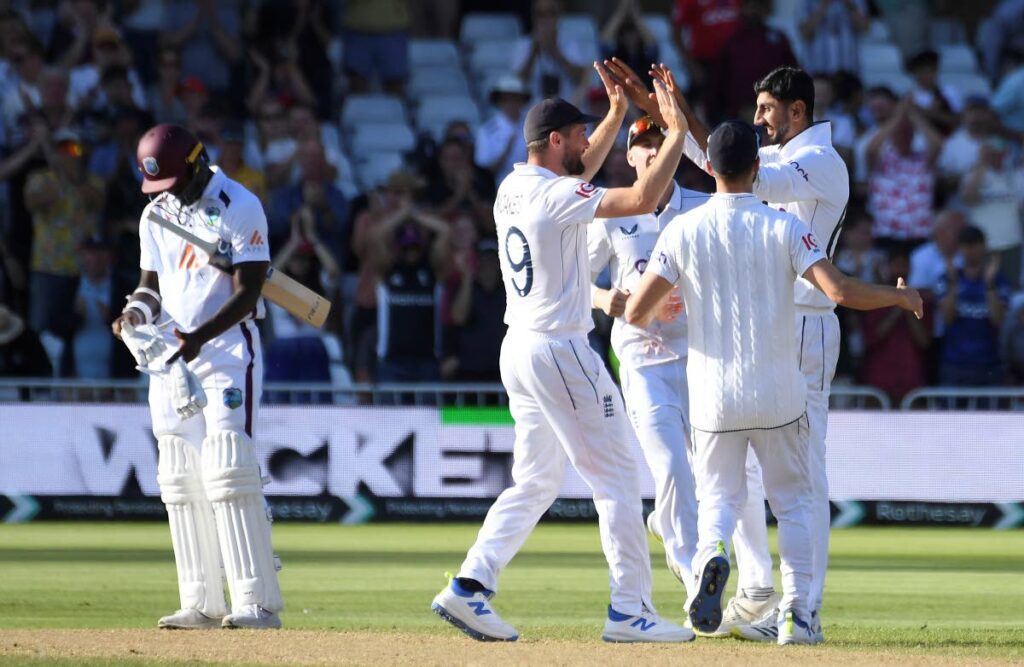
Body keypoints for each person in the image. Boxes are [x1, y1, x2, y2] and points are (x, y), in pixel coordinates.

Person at [624, 120, 922, 645]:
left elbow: (637, 313)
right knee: (794, 503)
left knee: (718, 498)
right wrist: (899, 297)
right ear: (758, 169)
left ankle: (712, 556)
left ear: (710, 167)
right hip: (779, 391)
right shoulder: (785, 227)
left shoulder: (681, 230)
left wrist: (667, 301)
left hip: (713, 396)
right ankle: (796, 615)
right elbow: (841, 291)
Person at [431, 67, 695, 643]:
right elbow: (644, 196)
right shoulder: (555, 194)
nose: (585, 145)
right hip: (561, 349)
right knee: (620, 474)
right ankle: (631, 609)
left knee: (535, 480)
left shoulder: (513, 186)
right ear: (555, 141)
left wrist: (616, 116)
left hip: (518, 348)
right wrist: (674, 131)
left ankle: (470, 585)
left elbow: (585, 169)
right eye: (576, 136)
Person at [605, 62, 848, 642]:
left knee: (802, 479)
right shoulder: (782, 162)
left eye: (768, 109)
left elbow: (735, 170)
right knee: (756, 475)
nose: (760, 119)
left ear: (798, 111)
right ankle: (769, 595)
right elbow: (728, 163)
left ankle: (801, 608)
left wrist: (679, 117)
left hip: (807, 324)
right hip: (778, 325)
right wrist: (674, 118)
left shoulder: (817, 162)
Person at [110, 123, 283, 630]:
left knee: (228, 467)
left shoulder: (240, 204)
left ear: (196, 162)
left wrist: (198, 338)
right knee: (180, 475)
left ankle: (257, 603)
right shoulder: (155, 213)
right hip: (173, 354)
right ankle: (201, 602)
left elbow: (248, 292)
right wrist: (134, 317)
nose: (168, 197)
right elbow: (150, 288)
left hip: (227, 349)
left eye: (172, 184)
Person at [588, 115, 709, 601]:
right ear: (630, 157)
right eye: (645, 147)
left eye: (664, 145)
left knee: (714, 474)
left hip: (701, 356)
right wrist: (604, 301)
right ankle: (693, 573)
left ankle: (666, 521)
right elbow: (574, 280)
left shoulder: (702, 206)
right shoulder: (614, 213)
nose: (655, 153)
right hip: (641, 359)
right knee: (671, 466)